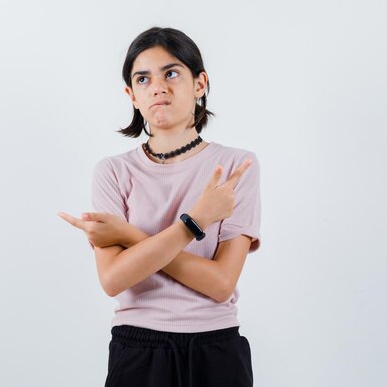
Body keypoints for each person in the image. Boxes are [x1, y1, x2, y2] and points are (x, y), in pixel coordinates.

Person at [58, 27, 261, 387]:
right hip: (138, 350)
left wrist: (128, 236)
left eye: (171, 73)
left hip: (216, 349)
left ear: (200, 84)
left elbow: (220, 284)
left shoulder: (235, 167)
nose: (158, 87)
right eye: (143, 78)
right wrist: (195, 221)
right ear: (131, 95)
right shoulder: (113, 172)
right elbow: (113, 279)